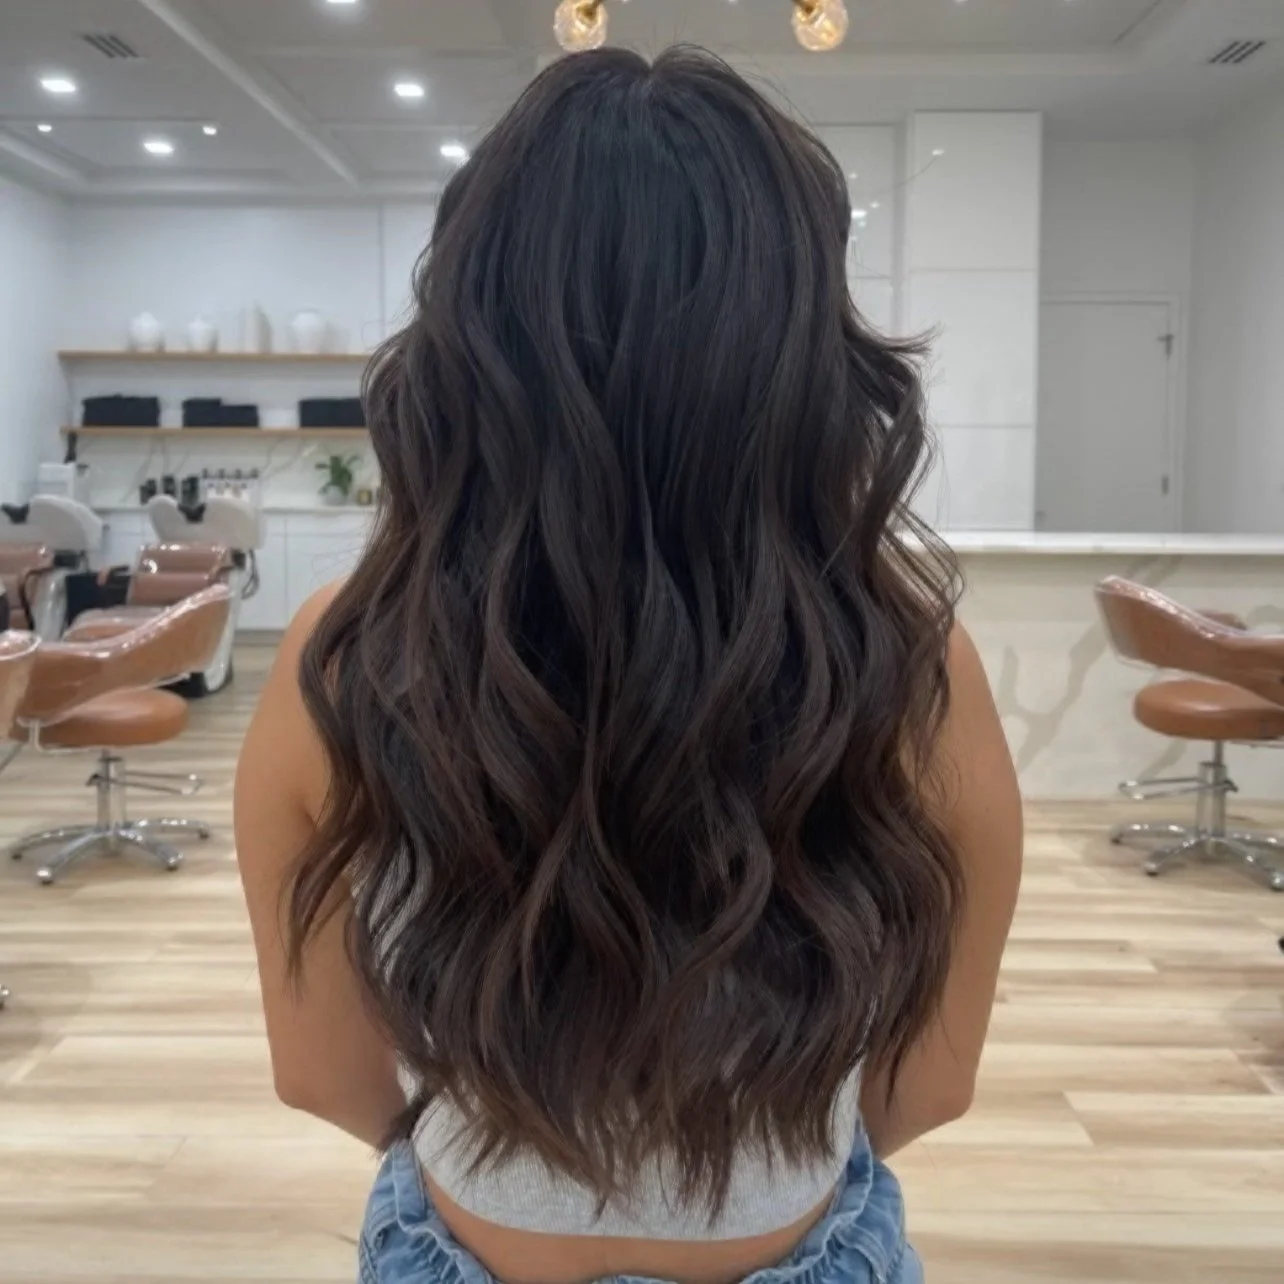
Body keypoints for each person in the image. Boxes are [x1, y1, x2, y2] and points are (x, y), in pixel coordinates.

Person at [235, 46, 1022, 1284]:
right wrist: (754, 1166)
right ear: (798, 354)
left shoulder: (346, 659)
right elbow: (930, 1085)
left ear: (470, 335)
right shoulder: (912, 665)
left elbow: (320, 1074)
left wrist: (513, 1160)